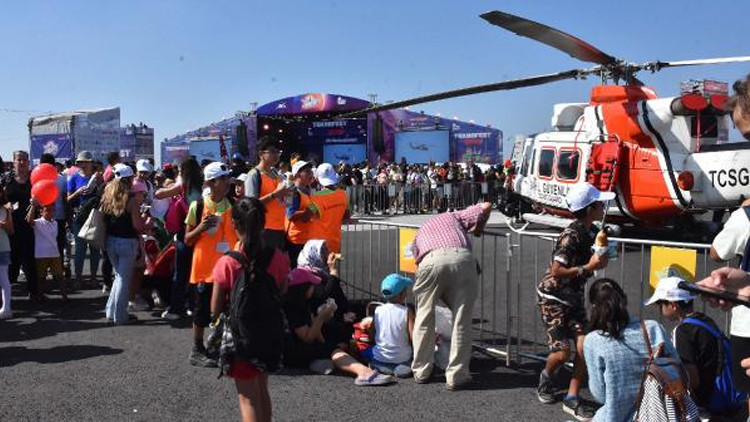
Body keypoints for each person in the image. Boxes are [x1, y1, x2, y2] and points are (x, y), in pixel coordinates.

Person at [535, 183, 611, 419]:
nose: (603, 206)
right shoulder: (571, 235)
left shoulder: (592, 231)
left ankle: (572, 397)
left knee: (584, 346)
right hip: (553, 299)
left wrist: (604, 254)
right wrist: (588, 267)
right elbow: (556, 270)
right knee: (562, 353)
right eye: (599, 203)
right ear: (589, 209)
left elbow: (598, 258)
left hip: (574, 299)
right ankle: (546, 379)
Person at [210, 197, 285, 422]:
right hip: (269, 330)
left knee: (247, 397)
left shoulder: (227, 262)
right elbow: (282, 289)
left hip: (240, 335)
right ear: (263, 223)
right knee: (262, 390)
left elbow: (215, 307)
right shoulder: (277, 257)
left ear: (234, 223)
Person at [411, 201, 492, 390]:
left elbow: (418, 261)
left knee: (423, 317)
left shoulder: (420, 231)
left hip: (429, 260)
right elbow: (486, 206)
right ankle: (457, 376)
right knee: (461, 319)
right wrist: (478, 228)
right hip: (460, 257)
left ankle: (421, 370)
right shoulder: (455, 216)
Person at [584, 278, 679, 422]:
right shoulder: (653, 328)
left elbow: (600, 395)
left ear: (593, 306)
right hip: (660, 414)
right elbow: (677, 369)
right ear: (625, 300)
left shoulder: (593, 341)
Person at [281, 266, 396, 386]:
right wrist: (322, 317)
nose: (314, 288)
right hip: (290, 352)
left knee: (331, 347)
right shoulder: (293, 308)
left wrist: (324, 345)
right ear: (303, 288)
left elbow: (314, 329)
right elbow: (308, 338)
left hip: (296, 346)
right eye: (311, 285)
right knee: (333, 349)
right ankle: (364, 373)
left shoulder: (303, 303)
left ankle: (321, 362)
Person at [645, 276, 735, 417]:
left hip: (703, 407)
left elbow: (691, 379)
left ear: (673, 305)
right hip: (722, 399)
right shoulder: (705, 321)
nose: (659, 310)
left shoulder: (682, 331)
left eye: (660, 305)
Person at [185, 161, 238, 367]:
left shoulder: (233, 204)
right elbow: (187, 239)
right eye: (223, 179)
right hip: (205, 270)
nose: (228, 182)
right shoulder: (198, 206)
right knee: (201, 312)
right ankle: (197, 350)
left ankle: (219, 345)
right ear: (210, 182)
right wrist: (201, 228)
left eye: (227, 177)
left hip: (229, 269)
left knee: (228, 310)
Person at [157, 158, 204, 320]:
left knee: (180, 273)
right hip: (202, 231)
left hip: (186, 231)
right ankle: (193, 304)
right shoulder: (202, 185)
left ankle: (176, 308)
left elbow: (159, 194)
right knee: (195, 271)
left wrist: (171, 184)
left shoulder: (183, 185)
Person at [100, 164, 144, 325]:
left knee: (119, 277)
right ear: (130, 179)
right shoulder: (131, 199)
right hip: (127, 242)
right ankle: (120, 315)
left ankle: (111, 311)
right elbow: (137, 226)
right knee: (124, 280)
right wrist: (147, 224)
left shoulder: (107, 195)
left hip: (110, 240)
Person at [244, 136, 294, 251]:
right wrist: (275, 194)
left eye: (278, 152)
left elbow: (281, 198)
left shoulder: (276, 173)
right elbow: (250, 205)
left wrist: (288, 192)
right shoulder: (254, 175)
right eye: (272, 152)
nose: (276, 155)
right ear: (261, 154)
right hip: (264, 230)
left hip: (280, 228)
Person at [362, 273, 415, 378]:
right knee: (407, 358)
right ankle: (401, 368)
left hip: (380, 356)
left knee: (364, 352)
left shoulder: (378, 310)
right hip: (402, 357)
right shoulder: (407, 311)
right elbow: (413, 336)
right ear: (401, 295)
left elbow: (372, 333)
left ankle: (380, 366)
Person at [6, 151, 38, 300]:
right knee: (11, 259)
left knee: (29, 259)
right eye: (19, 160)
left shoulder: (34, 180)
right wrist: (6, 205)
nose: (22, 162)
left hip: (30, 225)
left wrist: (37, 202)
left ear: (28, 162)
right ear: (13, 162)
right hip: (10, 226)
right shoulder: (6, 180)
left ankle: (33, 291)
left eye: (24, 160)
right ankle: (7, 291)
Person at [67, 151, 102, 288]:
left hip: (94, 216)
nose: (83, 164)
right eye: (81, 162)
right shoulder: (73, 178)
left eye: (86, 162)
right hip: (79, 216)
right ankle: (78, 278)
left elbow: (104, 196)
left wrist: (99, 184)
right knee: (80, 249)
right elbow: (67, 199)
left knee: (94, 249)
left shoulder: (97, 178)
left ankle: (93, 278)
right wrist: (78, 192)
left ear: (91, 163)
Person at [27, 202, 66, 301]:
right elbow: (29, 220)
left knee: (59, 275)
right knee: (41, 277)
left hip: (54, 253)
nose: (50, 212)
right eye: (47, 210)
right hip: (41, 254)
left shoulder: (55, 223)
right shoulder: (38, 222)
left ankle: (64, 296)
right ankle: (40, 296)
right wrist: (33, 206)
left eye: (52, 210)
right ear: (41, 212)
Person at [39, 154, 71, 280]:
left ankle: (45, 271)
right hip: (59, 217)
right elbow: (65, 201)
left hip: (44, 218)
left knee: (43, 245)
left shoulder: (38, 179)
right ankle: (58, 271)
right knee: (58, 245)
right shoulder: (61, 179)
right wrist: (68, 217)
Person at [285, 161, 319, 266]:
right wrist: (308, 211)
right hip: (295, 241)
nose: (311, 174)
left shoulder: (307, 191)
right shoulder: (293, 192)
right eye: (307, 172)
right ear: (298, 174)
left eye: (311, 172)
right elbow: (290, 215)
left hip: (306, 239)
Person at [310, 163, 349, 254]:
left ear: (317, 178)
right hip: (335, 242)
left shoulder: (316, 197)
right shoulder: (342, 194)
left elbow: (306, 217)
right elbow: (347, 215)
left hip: (318, 243)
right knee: (334, 263)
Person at [0, 181, 14, 319]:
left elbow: (11, 231)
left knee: (4, 279)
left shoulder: (6, 210)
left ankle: (7, 308)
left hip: (3, 247)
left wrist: (3, 225)